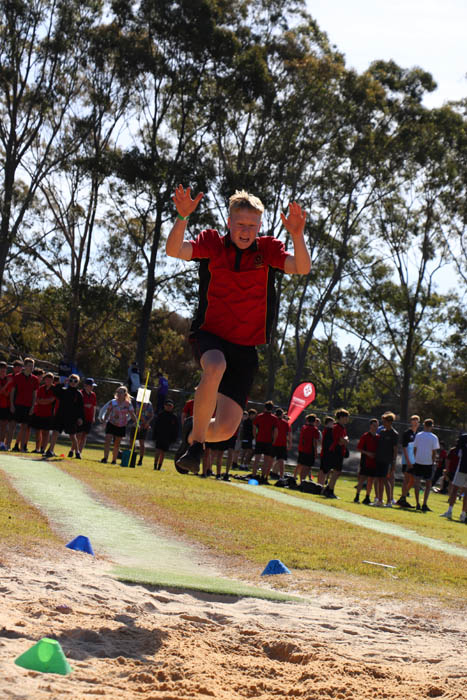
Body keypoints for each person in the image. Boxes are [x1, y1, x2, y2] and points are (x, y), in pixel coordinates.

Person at [167, 184, 310, 474]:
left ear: (260, 226)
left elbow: (301, 267)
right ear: (229, 222)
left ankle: (193, 433)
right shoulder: (212, 243)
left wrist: (297, 235)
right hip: (210, 333)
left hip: (245, 347)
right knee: (215, 366)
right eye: (240, 224)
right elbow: (174, 250)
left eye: (252, 225)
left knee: (224, 430)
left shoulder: (267, 250)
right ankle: (196, 446)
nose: (246, 231)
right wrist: (182, 218)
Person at [44, 374, 85, 459]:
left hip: (71, 417)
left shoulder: (78, 394)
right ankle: (50, 450)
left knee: (72, 435)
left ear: (78, 383)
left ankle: (77, 452)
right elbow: (55, 391)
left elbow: (81, 408)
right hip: (60, 415)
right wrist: (63, 383)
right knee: (55, 432)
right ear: (68, 381)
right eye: (71, 380)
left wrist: (80, 418)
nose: (73, 382)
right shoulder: (63, 390)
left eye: (75, 381)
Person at [10, 357, 39, 452]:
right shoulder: (17, 377)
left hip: (28, 406)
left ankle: (22, 448)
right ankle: (7, 446)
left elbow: (35, 394)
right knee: (12, 425)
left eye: (32, 366)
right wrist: (12, 404)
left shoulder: (35, 379)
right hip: (17, 404)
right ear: (25, 366)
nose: (31, 368)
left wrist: (33, 407)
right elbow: (12, 391)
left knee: (24, 427)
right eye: (29, 366)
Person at [101, 386, 136, 464]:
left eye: (121, 392)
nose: (119, 394)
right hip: (111, 423)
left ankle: (114, 460)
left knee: (117, 444)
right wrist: (104, 421)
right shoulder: (113, 402)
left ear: (125, 394)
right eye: (118, 392)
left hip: (121, 425)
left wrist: (136, 423)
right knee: (107, 440)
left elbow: (132, 414)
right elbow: (108, 412)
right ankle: (105, 458)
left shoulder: (128, 404)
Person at [412, 418, 439, 512]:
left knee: (417, 482)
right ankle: (424, 504)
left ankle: (417, 503)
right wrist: (433, 461)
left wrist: (416, 458)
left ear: (424, 425)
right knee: (428, 484)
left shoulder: (418, 435)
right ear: (432, 426)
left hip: (418, 461)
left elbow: (415, 449)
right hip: (428, 462)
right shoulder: (434, 437)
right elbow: (434, 452)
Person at [372, 412, 398, 507]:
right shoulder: (382, 432)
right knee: (379, 480)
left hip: (387, 461)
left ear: (390, 422)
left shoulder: (394, 434)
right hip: (379, 459)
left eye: (385, 421)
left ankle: (389, 501)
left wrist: (393, 462)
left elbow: (395, 449)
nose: (383, 423)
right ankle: (380, 500)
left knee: (386, 480)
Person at [322, 410, 349, 498]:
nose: (347, 419)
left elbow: (345, 440)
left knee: (337, 472)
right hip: (336, 451)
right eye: (345, 417)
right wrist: (345, 441)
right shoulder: (337, 427)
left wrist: (345, 440)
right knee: (336, 471)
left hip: (340, 452)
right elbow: (340, 441)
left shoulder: (342, 428)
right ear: (341, 417)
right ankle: (330, 490)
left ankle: (328, 488)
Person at [441, 432, 467, 522]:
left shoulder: (463, 437)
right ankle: (460, 513)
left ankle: (460, 513)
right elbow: (458, 451)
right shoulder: (464, 438)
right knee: (457, 489)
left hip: (462, 468)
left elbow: (458, 452)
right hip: (462, 467)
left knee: (456, 489)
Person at [251, 401, 279, 484]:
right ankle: (263, 477)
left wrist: (255, 437)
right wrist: (274, 440)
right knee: (266, 461)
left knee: (257, 459)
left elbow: (254, 428)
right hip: (268, 441)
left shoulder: (259, 416)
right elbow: (276, 431)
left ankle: (254, 475)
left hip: (259, 440)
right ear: (272, 408)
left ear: (265, 407)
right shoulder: (274, 418)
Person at [396, 415, 420, 508]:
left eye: (417, 421)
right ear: (411, 422)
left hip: (414, 461)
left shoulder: (418, 434)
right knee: (406, 479)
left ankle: (403, 497)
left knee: (412, 480)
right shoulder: (407, 433)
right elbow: (404, 448)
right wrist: (408, 461)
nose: (415, 423)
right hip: (407, 461)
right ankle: (403, 499)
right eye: (413, 421)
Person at [355, 419, 379, 504]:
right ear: (370, 426)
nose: (375, 427)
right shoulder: (365, 436)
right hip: (365, 461)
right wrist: (367, 453)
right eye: (374, 425)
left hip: (374, 462)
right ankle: (357, 496)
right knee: (362, 479)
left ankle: (367, 497)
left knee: (371, 480)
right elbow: (358, 448)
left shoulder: (378, 437)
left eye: (377, 425)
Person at [31, 372, 56, 453]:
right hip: (39, 412)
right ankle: (37, 448)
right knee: (38, 431)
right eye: (47, 379)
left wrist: (43, 401)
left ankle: (43, 449)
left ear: (52, 380)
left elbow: (51, 400)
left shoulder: (54, 389)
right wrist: (45, 401)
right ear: (44, 380)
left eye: (50, 379)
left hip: (49, 414)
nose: (48, 380)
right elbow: (37, 399)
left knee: (46, 432)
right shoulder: (41, 388)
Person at [152, 399, 179, 470]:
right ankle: (155, 466)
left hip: (168, 437)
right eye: (167, 405)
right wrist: (154, 435)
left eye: (170, 406)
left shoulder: (174, 417)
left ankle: (159, 467)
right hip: (159, 436)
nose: (168, 407)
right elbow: (156, 426)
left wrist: (174, 438)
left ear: (172, 407)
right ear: (164, 406)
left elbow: (176, 429)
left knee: (163, 452)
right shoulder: (160, 415)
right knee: (158, 450)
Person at [295, 414, 319, 484]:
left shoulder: (304, 427)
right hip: (309, 450)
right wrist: (316, 451)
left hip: (302, 449)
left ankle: (300, 480)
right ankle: (302, 482)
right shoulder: (315, 429)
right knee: (307, 467)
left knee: (302, 465)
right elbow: (314, 441)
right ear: (314, 421)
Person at [131, 397, 154, 466]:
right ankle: (132, 457)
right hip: (136, 424)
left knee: (142, 442)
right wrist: (144, 422)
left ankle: (140, 460)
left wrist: (147, 423)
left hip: (144, 426)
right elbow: (137, 413)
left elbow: (151, 415)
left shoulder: (149, 404)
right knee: (132, 441)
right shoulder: (136, 402)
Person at [77, 378, 98, 454]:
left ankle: (79, 452)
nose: (92, 387)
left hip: (89, 417)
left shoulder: (93, 394)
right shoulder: (80, 393)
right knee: (78, 435)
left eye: (93, 386)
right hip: (81, 417)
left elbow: (94, 406)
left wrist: (93, 416)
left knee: (84, 435)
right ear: (85, 385)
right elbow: (77, 405)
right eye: (90, 386)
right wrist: (85, 405)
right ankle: (73, 450)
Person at [271, 408, 292, 479]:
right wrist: (290, 443)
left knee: (271, 460)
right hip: (281, 444)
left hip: (274, 443)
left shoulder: (274, 421)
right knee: (281, 461)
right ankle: (281, 476)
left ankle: (268, 474)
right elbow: (289, 435)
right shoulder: (285, 423)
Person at [0, 361, 13, 450]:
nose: (3, 371)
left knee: (4, 425)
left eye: (4, 370)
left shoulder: (7, 379)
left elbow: (7, 393)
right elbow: (1, 392)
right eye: (1, 370)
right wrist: (7, 384)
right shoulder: (8, 381)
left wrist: (5, 386)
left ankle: (1, 443)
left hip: (5, 405)